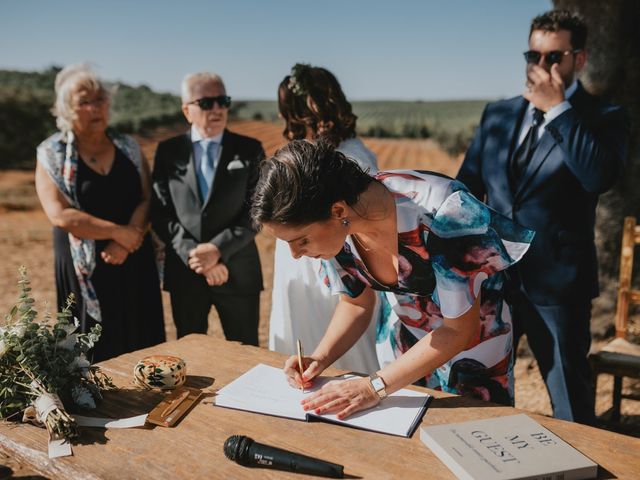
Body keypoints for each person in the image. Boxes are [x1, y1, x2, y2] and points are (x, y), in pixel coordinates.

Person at [251, 140, 534, 419]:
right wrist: (319, 358)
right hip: (399, 350)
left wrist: (374, 386)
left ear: (338, 211)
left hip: (472, 352)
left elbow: (458, 330)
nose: (296, 255)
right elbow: (356, 303)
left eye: (301, 240)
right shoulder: (334, 228)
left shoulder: (446, 213)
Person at [456, 10, 630, 424]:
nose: (541, 65)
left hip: (559, 287)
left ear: (579, 60)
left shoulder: (605, 117)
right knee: (479, 389)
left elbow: (598, 176)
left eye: (554, 56)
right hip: (494, 279)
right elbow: (466, 187)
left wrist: (558, 111)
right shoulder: (497, 114)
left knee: (569, 398)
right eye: (533, 55)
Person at [35, 64, 165, 361]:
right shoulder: (52, 153)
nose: (95, 108)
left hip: (133, 256)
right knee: (93, 351)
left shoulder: (128, 147)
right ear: (66, 109)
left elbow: (147, 198)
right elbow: (59, 215)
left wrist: (126, 239)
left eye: (100, 100)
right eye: (84, 102)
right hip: (86, 267)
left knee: (143, 347)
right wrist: (116, 232)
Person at [270, 63, 380, 373]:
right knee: (300, 337)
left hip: (332, 270)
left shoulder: (348, 159)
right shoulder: (305, 154)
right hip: (303, 263)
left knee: (336, 347)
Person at [151, 72, 264, 345]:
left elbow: (259, 210)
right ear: (186, 111)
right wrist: (195, 255)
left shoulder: (250, 150)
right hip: (186, 274)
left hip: (238, 270)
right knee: (191, 359)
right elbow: (160, 213)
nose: (217, 109)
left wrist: (217, 250)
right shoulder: (168, 152)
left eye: (223, 101)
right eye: (207, 103)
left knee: (245, 357)